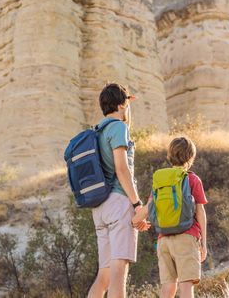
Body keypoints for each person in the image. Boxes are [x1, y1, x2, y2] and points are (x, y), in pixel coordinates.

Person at [88, 83, 149, 298]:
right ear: (122, 104)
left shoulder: (97, 131)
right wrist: (136, 204)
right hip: (118, 203)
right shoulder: (118, 128)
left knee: (104, 276)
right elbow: (122, 170)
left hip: (99, 207)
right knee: (118, 273)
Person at [133, 137, 208, 298]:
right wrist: (204, 244)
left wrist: (136, 221)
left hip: (163, 240)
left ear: (169, 156)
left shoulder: (160, 181)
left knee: (168, 289)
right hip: (187, 238)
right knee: (186, 287)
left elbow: (148, 208)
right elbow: (200, 212)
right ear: (191, 157)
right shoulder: (192, 179)